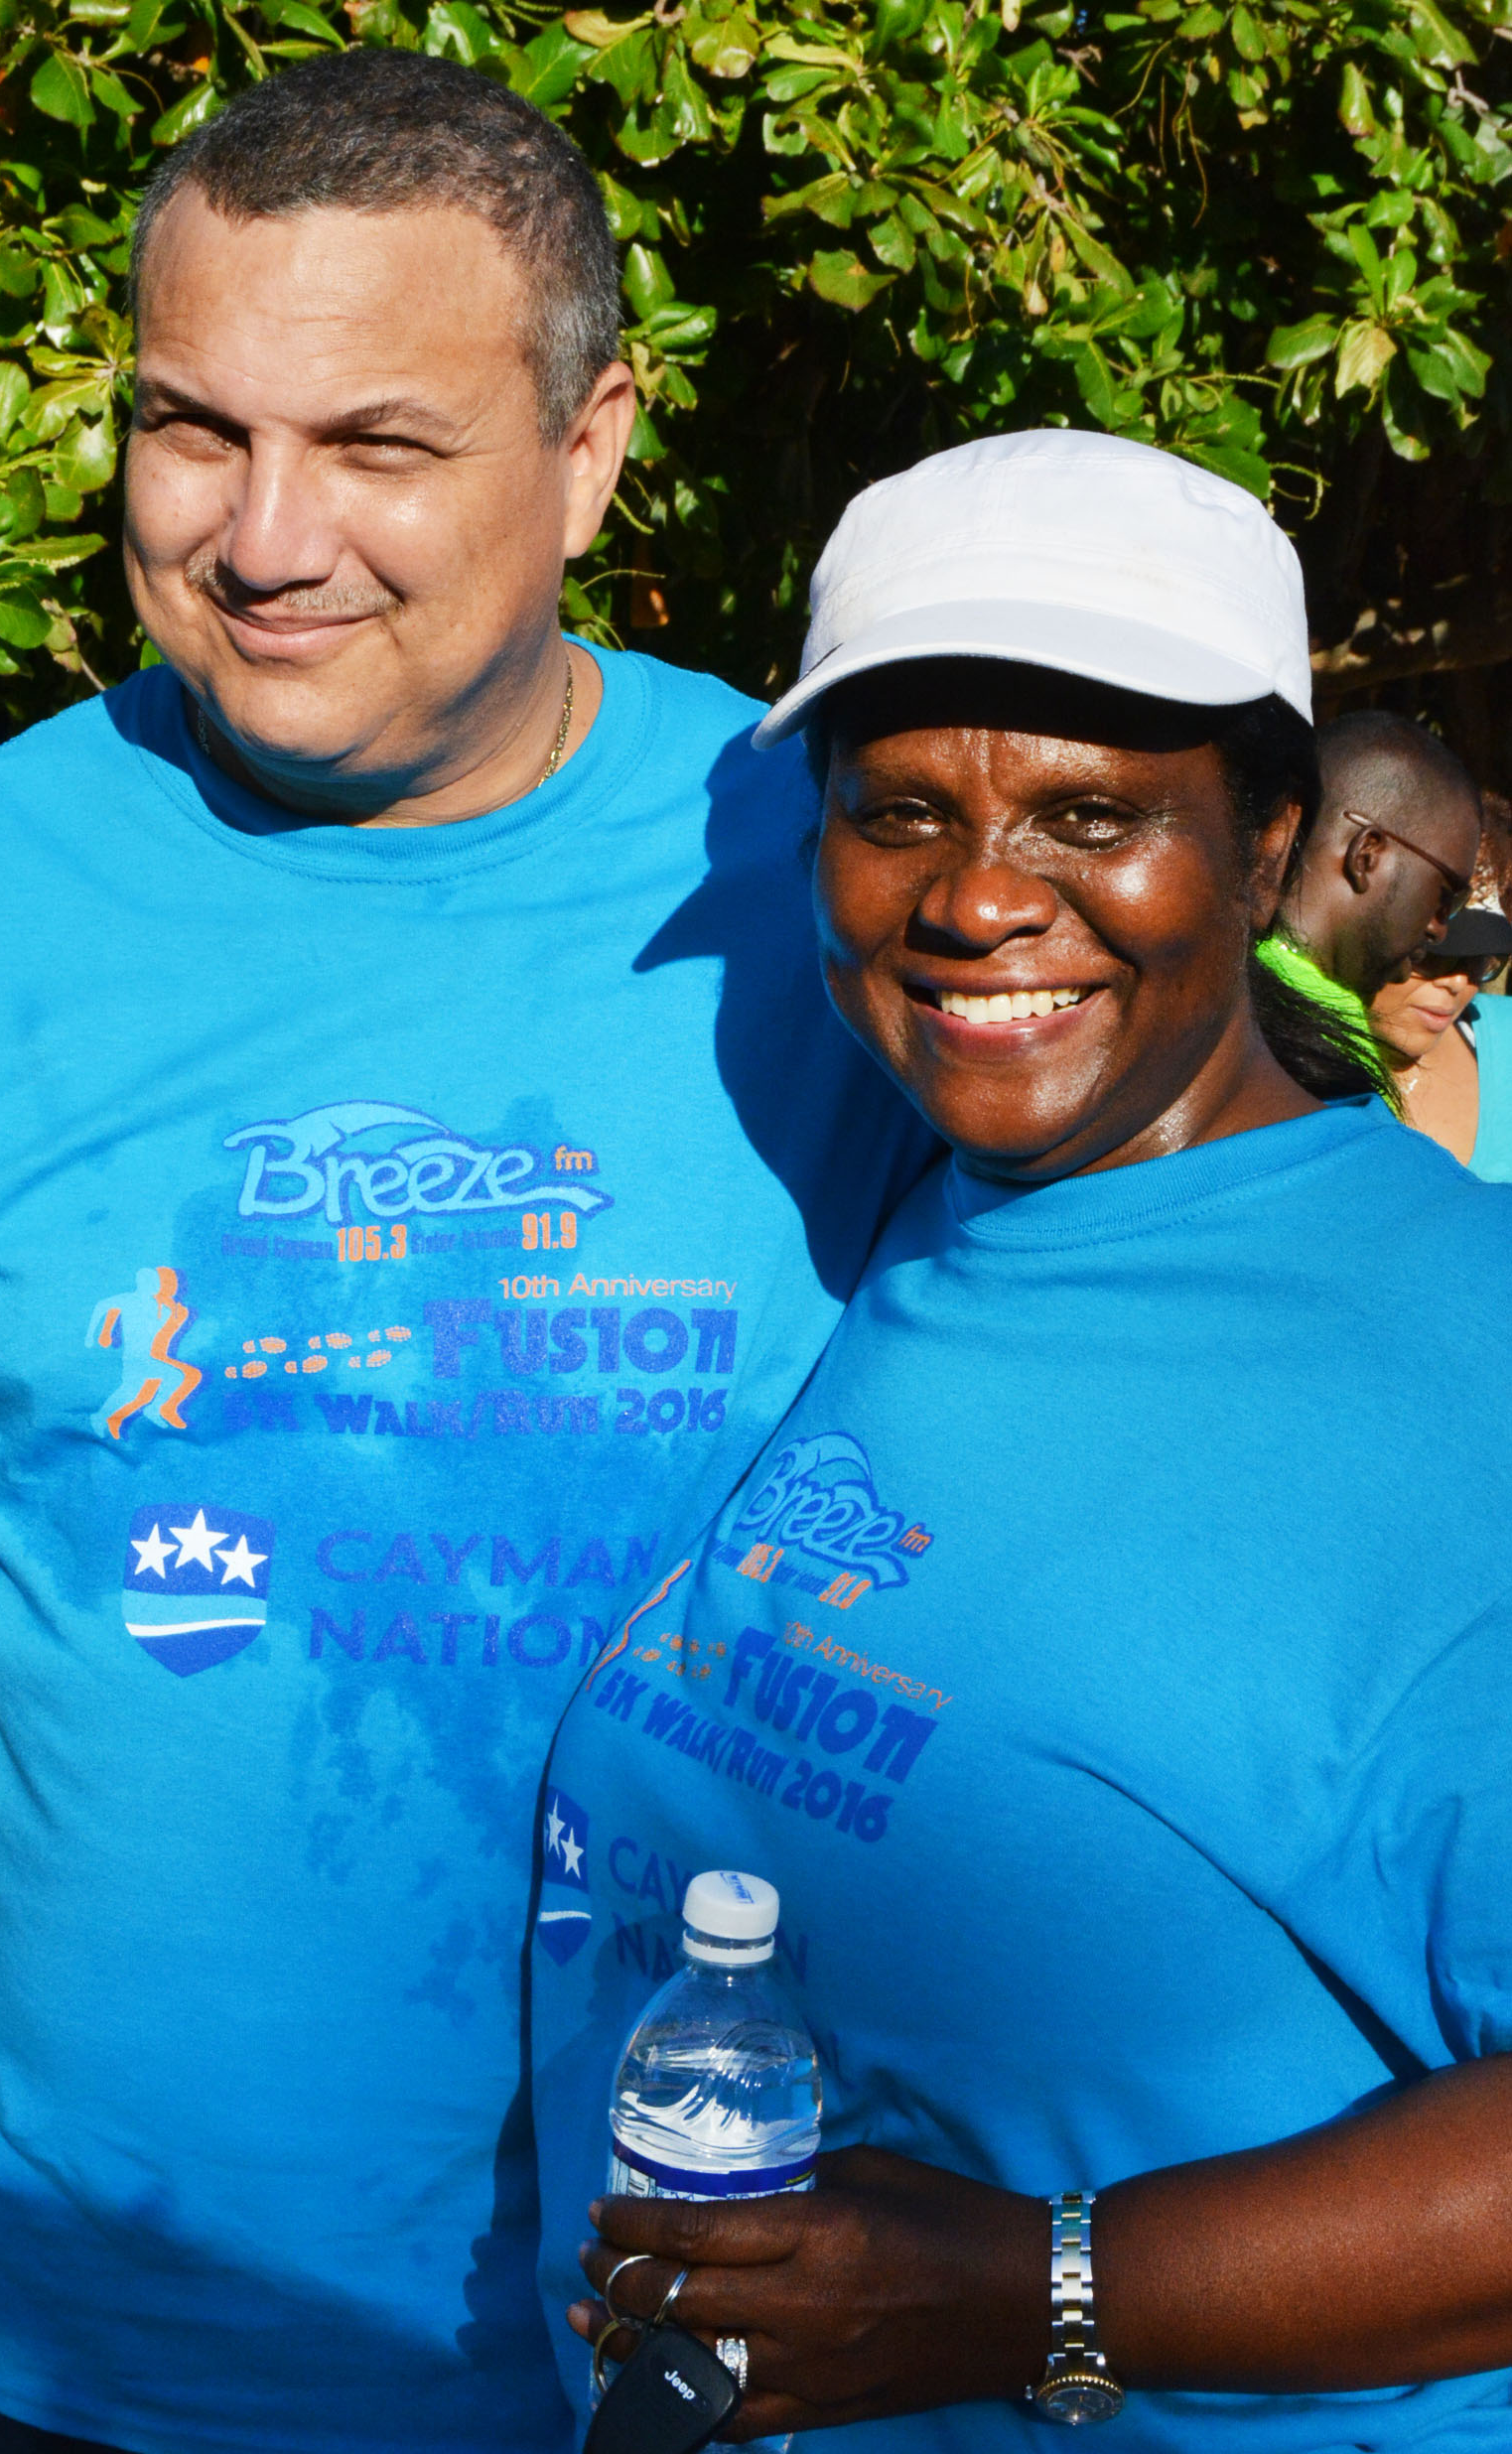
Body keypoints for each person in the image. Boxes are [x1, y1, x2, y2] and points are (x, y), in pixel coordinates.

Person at [0, 53, 935, 2454]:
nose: (262, 537)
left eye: (373, 444)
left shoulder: (832, 878)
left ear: (589, 449)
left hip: (709, 2331)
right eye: (191, 428)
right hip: (42, 2340)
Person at [528, 429, 1512, 2452]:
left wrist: (1036, 2291)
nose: (978, 896)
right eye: (898, 810)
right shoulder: (899, 1218)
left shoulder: (1459, 1356)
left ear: (1266, 846)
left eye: (1090, 815)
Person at [1277, 708, 1481, 1006]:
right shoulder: (1308, 1021)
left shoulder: (1226, 969)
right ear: (1366, 855)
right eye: (1445, 896)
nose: (1438, 930)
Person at [1368, 904, 1512, 1179]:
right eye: (1426, 956)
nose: (1457, 982)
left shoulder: (1505, 1031)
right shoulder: (1293, 1066)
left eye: (1477, 963)